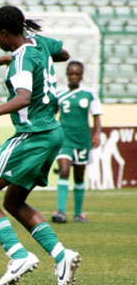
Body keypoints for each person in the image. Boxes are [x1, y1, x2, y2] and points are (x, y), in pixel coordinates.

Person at [0, 5, 80, 285]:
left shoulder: (21, 61)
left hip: (33, 134)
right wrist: (16, 57)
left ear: (5, 34)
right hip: (53, 134)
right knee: (15, 202)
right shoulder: (38, 44)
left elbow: (22, 98)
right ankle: (61, 255)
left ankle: (18, 255)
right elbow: (64, 55)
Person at [52, 61, 103, 224]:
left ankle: (78, 213)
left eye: (77, 74)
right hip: (64, 138)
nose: (73, 77)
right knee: (64, 170)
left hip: (82, 139)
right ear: (67, 74)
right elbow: (52, 115)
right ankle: (60, 212)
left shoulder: (89, 93)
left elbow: (96, 115)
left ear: (81, 75)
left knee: (79, 176)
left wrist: (97, 134)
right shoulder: (59, 93)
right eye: (71, 74)